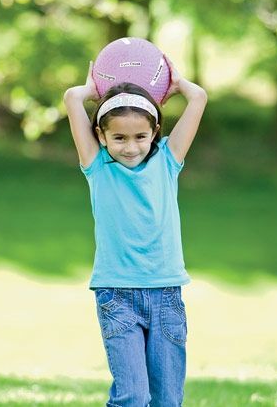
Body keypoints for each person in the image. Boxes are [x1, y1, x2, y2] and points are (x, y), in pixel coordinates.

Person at [63, 55, 207, 407]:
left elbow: (199, 97)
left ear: (156, 131)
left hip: (166, 294)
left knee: (167, 400)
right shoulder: (97, 166)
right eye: (119, 137)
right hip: (117, 295)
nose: (131, 147)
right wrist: (91, 88)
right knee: (132, 396)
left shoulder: (168, 160)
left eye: (141, 136)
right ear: (101, 135)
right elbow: (71, 98)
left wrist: (173, 85)